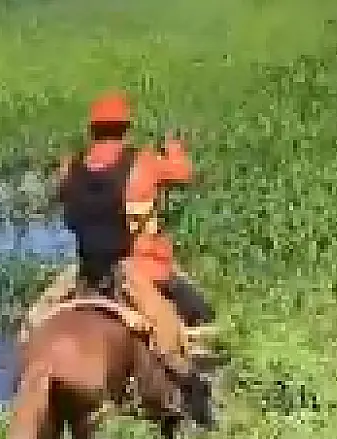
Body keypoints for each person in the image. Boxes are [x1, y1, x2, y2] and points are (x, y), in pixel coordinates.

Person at [22, 90, 215, 402]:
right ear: (125, 128)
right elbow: (185, 174)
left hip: (86, 270)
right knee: (194, 318)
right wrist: (174, 148)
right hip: (141, 267)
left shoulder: (71, 166)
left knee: (33, 322)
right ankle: (193, 392)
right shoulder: (144, 163)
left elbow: (61, 196)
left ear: (92, 130)